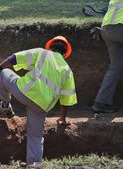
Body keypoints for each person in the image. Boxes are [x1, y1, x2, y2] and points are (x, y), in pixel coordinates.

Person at [0, 36, 77, 166]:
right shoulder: (67, 70)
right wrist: (63, 118)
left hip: (23, 92)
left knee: (4, 73)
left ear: (51, 47)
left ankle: (5, 105)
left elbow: (15, 59)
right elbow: (67, 99)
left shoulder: (42, 53)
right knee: (35, 137)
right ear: (65, 54)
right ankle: (34, 164)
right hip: (41, 106)